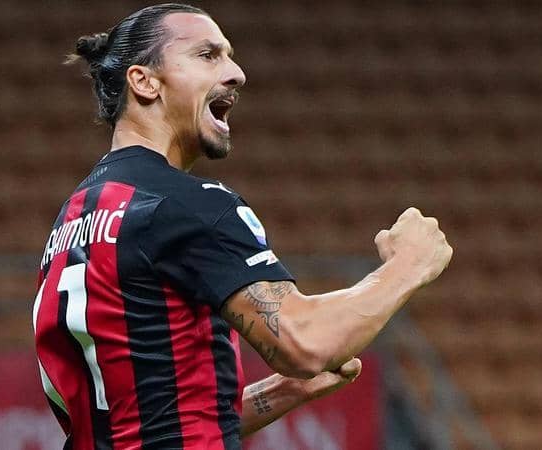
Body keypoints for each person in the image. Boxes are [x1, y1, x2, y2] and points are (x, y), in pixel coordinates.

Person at [32, 4, 453, 449]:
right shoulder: (185, 204)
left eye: (229, 57)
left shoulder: (73, 218)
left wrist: (284, 391)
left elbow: (148, 423)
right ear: (144, 81)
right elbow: (305, 341)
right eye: (207, 55)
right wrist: (408, 265)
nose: (236, 74)